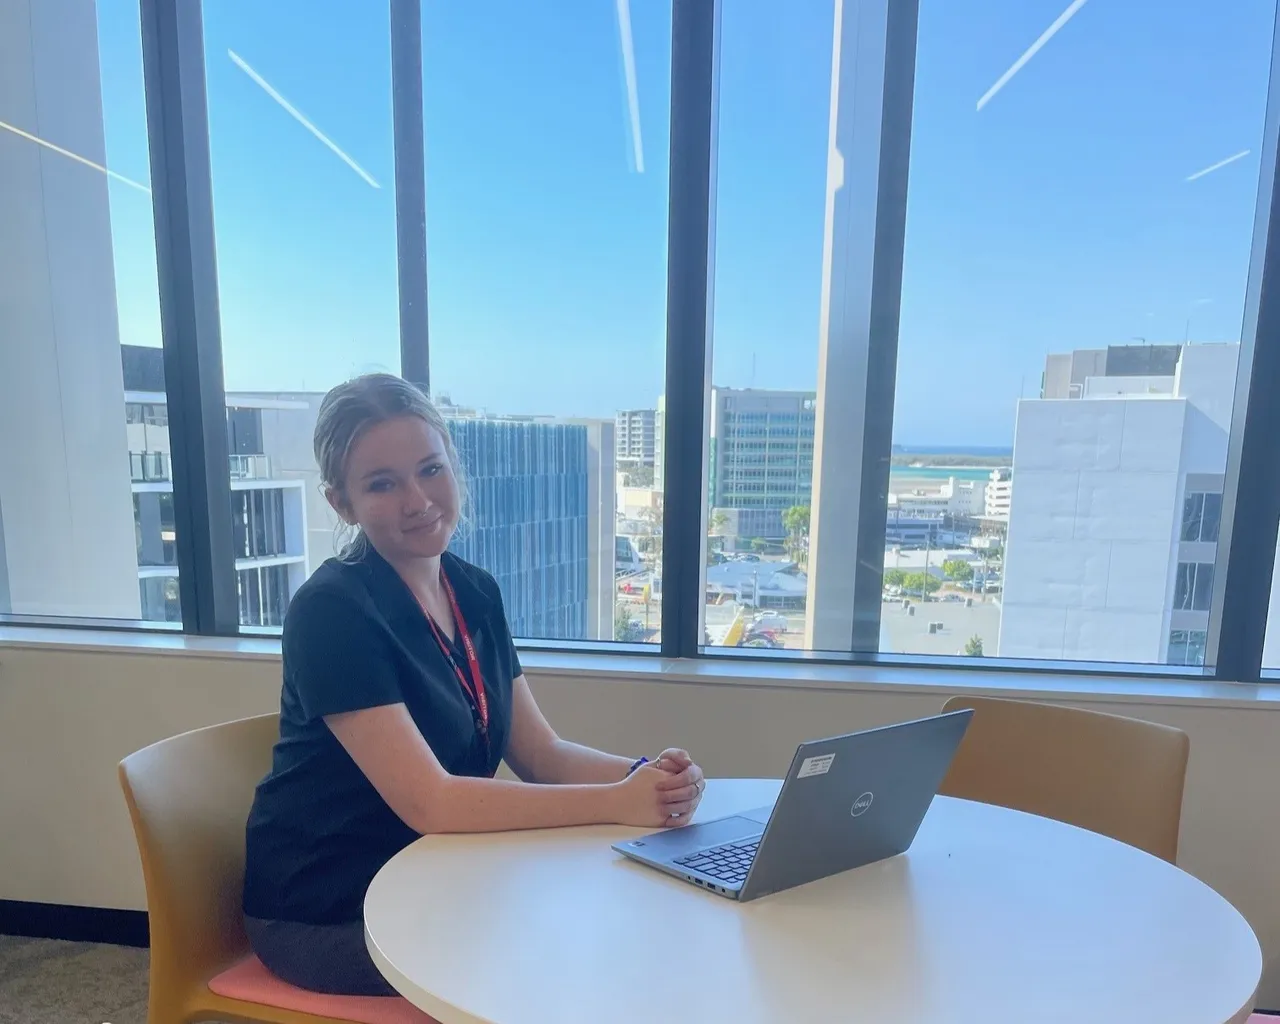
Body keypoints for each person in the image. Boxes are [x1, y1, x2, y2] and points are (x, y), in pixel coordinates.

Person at [242, 373, 706, 997]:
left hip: (443, 873)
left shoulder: (474, 590)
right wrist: (619, 802)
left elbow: (541, 754)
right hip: (333, 907)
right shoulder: (331, 611)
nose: (416, 499)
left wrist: (648, 778)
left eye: (430, 470)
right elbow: (430, 802)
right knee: (559, 956)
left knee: (610, 915)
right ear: (341, 503)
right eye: (382, 484)